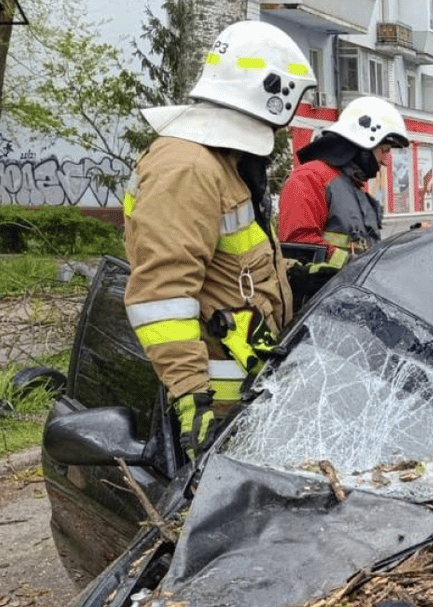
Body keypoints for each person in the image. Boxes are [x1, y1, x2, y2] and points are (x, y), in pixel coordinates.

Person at [122, 20, 316, 461]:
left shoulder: (220, 161)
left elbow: (231, 271)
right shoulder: (187, 167)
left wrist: (294, 279)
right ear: (272, 91)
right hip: (215, 408)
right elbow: (161, 294)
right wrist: (192, 395)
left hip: (247, 396)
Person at [278, 95, 411, 270]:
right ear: (364, 145)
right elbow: (298, 244)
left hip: (350, 290)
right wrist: (351, 265)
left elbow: (363, 245)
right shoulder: (310, 178)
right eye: (384, 150)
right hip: (321, 293)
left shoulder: (352, 187)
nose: (385, 161)